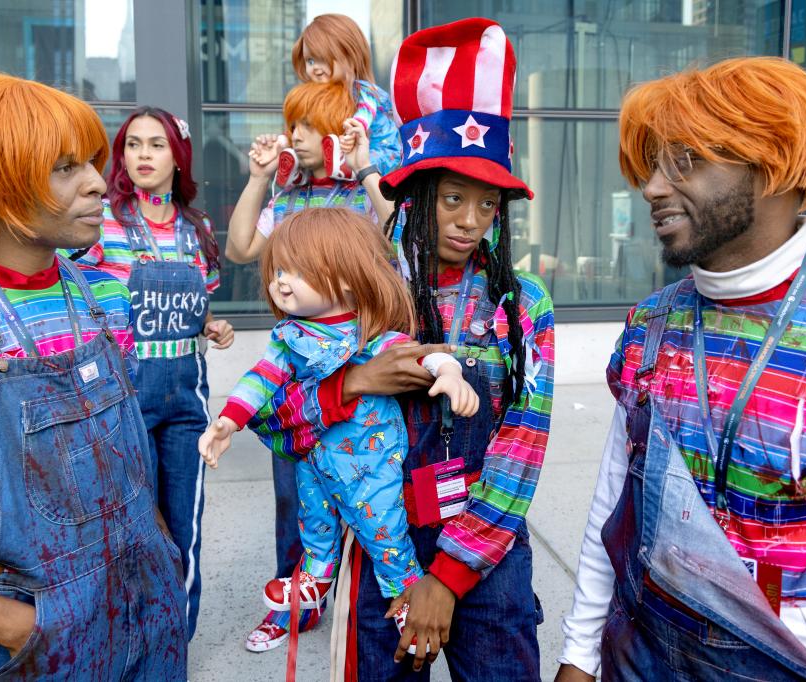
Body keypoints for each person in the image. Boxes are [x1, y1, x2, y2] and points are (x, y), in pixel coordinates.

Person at [555, 57, 806, 682]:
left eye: (684, 159)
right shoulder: (649, 325)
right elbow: (616, 501)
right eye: (653, 165)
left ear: (771, 163)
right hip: (640, 650)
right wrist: (579, 656)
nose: (654, 187)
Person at [247, 18, 556, 680]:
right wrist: (352, 387)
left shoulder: (523, 303)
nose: (470, 220)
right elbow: (271, 423)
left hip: (487, 551)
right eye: (451, 198)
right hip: (382, 541)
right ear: (415, 196)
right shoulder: (360, 294)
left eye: (488, 204)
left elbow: (523, 447)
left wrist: (446, 578)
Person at [0, 73, 187, 680]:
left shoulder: (107, 297)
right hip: (28, 651)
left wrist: (163, 556)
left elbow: (126, 455)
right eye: (65, 168)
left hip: (148, 624)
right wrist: (19, 628)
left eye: (93, 163)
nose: (100, 183)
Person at [202, 207, 478, 645]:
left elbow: (421, 354)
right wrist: (228, 420)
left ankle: (405, 592)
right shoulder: (289, 336)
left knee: (383, 530)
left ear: (347, 277)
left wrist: (449, 372)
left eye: (298, 270)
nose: (280, 282)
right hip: (314, 457)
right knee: (313, 521)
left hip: (369, 466)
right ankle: (314, 580)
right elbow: (260, 378)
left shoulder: (370, 335)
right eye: (277, 270)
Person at [225, 78, 393, 653]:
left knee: (375, 491)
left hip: (357, 368)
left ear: (328, 133)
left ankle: (383, 603)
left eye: (301, 125)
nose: (291, 133)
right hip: (295, 376)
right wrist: (258, 179)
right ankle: (296, 604)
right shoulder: (291, 195)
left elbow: (399, 229)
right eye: (290, 122)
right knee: (296, 496)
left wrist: (366, 167)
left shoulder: (358, 195)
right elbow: (241, 247)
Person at [75, 105, 232, 639]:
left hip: (189, 400)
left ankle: (174, 646)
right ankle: (127, 642)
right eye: (134, 144)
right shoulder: (104, 223)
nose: (143, 154)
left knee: (184, 525)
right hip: (126, 396)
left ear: (177, 156)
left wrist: (214, 326)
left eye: (156, 144)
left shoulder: (198, 228)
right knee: (127, 526)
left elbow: (197, 304)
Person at [226, 80, 392, 265]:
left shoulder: (366, 195)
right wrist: (258, 177)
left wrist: (363, 168)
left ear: (336, 128)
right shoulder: (285, 200)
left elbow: (399, 240)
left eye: (308, 125)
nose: (296, 136)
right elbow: (238, 252)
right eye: (293, 127)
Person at [273, 13, 400, 186]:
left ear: (349, 56)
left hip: (380, 149)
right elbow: (301, 124)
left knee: (367, 161)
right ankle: (299, 172)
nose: (316, 69)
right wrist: (284, 140)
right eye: (310, 61)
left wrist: (352, 130)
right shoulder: (317, 95)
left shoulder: (363, 90)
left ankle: (346, 165)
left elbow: (365, 114)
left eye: (323, 60)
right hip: (344, 153)